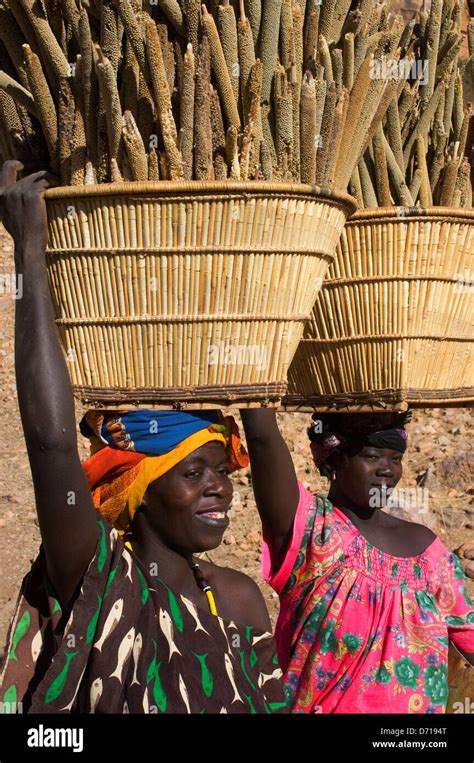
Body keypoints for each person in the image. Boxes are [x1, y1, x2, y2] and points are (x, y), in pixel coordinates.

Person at [0, 161, 287, 714]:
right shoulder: (100, 580)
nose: (220, 489)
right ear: (138, 485)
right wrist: (30, 253)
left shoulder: (238, 600)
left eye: (222, 472)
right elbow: (51, 444)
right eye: (193, 472)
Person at [240, 408, 474, 713]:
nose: (387, 470)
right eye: (372, 457)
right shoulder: (312, 532)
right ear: (335, 460)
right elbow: (261, 437)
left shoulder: (429, 552)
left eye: (395, 458)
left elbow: (468, 635)